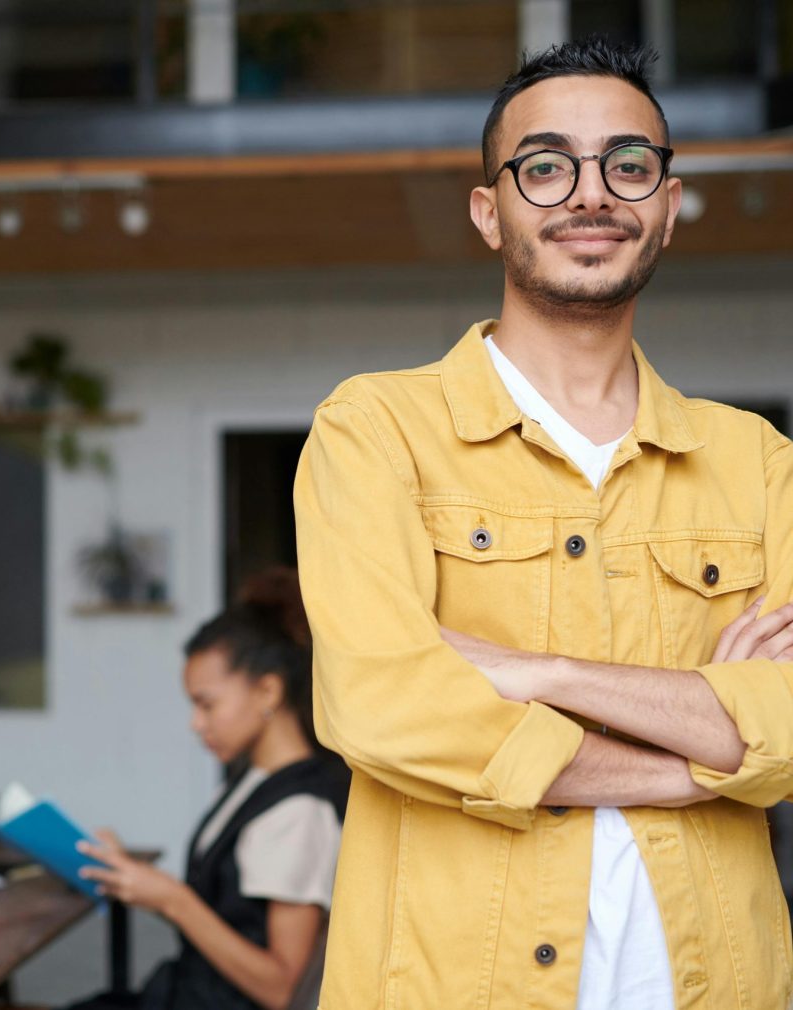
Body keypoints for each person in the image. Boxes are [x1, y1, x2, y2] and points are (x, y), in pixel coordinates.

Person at [293, 36, 793, 1010]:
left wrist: (537, 673)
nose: (589, 193)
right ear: (490, 210)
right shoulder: (375, 430)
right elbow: (381, 704)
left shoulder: (757, 463)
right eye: (545, 165)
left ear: (667, 206)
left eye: (628, 165)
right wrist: (691, 762)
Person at [63, 568, 349, 1010]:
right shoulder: (251, 781)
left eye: (207, 704)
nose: (196, 724)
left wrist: (174, 899)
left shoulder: (299, 811)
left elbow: (281, 989)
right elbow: (222, 915)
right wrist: (137, 880)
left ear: (268, 691)